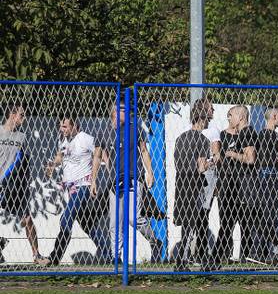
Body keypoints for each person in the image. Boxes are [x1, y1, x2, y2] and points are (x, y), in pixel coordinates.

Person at [91, 101, 162, 262]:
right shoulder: (104, 131)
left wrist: (150, 172)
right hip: (115, 183)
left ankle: (155, 242)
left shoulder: (134, 128)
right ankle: (116, 258)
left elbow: (143, 151)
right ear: (114, 113)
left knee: (133, 218)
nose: (126, 113)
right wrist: (93, 180)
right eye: (122, 110)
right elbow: (96, 156)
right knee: (115, 223)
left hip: (133, 179)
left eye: (127, 110)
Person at [45, 117, 112, 266]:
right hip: (71, 188)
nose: (62, 130)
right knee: (87, 225)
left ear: (75, 126)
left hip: (83, 186)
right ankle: (110, 255)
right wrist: (52, 165)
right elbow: (60, 155)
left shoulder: (85, 138)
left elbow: (101, 151)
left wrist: (109, 169)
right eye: (61, 127)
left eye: (65, 126)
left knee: (65, 219)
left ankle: (54, 258)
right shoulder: (64, 140)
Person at [0, 104, 48, 265]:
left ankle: (37, 256)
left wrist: (24, 184)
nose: (24, 118)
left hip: (14, 184)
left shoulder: (22, 136)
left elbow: (24, 161)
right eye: (21, 114)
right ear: (12, 115)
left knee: (27, 219)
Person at [210, 105, 256, 267]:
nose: (228, 118)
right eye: (228, 116)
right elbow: (217, 160)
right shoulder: (222, 136)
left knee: (246, 222)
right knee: (226, 222)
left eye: (231, 115)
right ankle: (224, 255)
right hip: (226, 184)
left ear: (240, 117)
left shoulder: (246, 134)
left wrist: (232, 154)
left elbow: (250, 159)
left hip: (242, 184)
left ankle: (245, 256)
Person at [172, 102, 213, 272]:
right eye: (207, 119)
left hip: (181, 180)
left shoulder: (181, 138)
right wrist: (211, 163)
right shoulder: (203, 140)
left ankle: (183, 258)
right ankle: (186, 259)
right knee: (195, 221)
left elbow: (176, 162)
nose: (209, 121)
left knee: (185, 221)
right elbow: (201, 167)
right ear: (201, 120)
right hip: (194, 182)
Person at [252, 106, 278, 264]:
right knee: (268, 216)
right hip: (268, 179)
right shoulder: (265, 135)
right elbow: (277, 158)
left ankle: (266, 252)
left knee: (272, 216)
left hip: (273, 179)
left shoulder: (272, 135)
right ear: (274, 116)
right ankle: (266, 251)